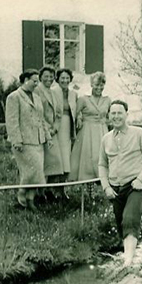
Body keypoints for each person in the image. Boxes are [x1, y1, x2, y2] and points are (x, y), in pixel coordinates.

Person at [99, 100, 142, 267]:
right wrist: (106, 187)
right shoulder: (106, 139)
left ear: (126, 114)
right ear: (109, 116)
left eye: (119, 113)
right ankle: (130, 252)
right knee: (120, 222)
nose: (116, 116)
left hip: (136, 185)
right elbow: (102, 164)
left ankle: (128, 261)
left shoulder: (139, 133)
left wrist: (140, 179)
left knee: (130, 218)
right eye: (113, 113)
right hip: (115, 188)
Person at [5, 69, 52, 211]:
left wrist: (47, 137)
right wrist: (16, 140)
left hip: (38, 140)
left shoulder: (36, 97)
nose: (37, 84)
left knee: (37, 172)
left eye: (37, 81)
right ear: (25, 80)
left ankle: (30, 199)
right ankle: (21, 196)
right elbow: (12, 121)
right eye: (34, 81)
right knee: (30, 172)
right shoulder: (14, 97)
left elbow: (41, 119)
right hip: (23, 142)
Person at [70, 71, 111, 181]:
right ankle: (88, 188)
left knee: (101, 157)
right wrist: (79, 118)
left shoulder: (107, 100)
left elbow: (109, 115)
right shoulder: (84, 99)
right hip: (87, 132)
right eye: (96, 85)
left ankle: (102, 183)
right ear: (91, 84)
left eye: (101, 85)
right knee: (88, 159)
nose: (99, 87)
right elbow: (75, 113)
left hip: (102, 131)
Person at [35, 66, 63, 200]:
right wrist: (47, 130)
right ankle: (39, 192)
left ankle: (49, 189)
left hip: (53, 132)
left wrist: (55, 128)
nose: (49, 79)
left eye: (51, 76)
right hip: (41, 132)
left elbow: (59, 113)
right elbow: (37, 113)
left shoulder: (54, 92)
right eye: (46, 76)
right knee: (42, 163)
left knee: (55, 162)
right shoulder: (37, 91)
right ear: (40, 77)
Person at [52, 68, 78, 198]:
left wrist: (80, 119)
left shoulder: (73, 94)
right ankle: (51, 189)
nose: (65, 80)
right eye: (62, 78)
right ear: (57, 79)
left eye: (67, 78)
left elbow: (76, 111)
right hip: (56, 127)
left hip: (68, 127)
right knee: (57, 157)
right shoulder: (52, 92)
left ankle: (62, 189)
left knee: (66, 157)